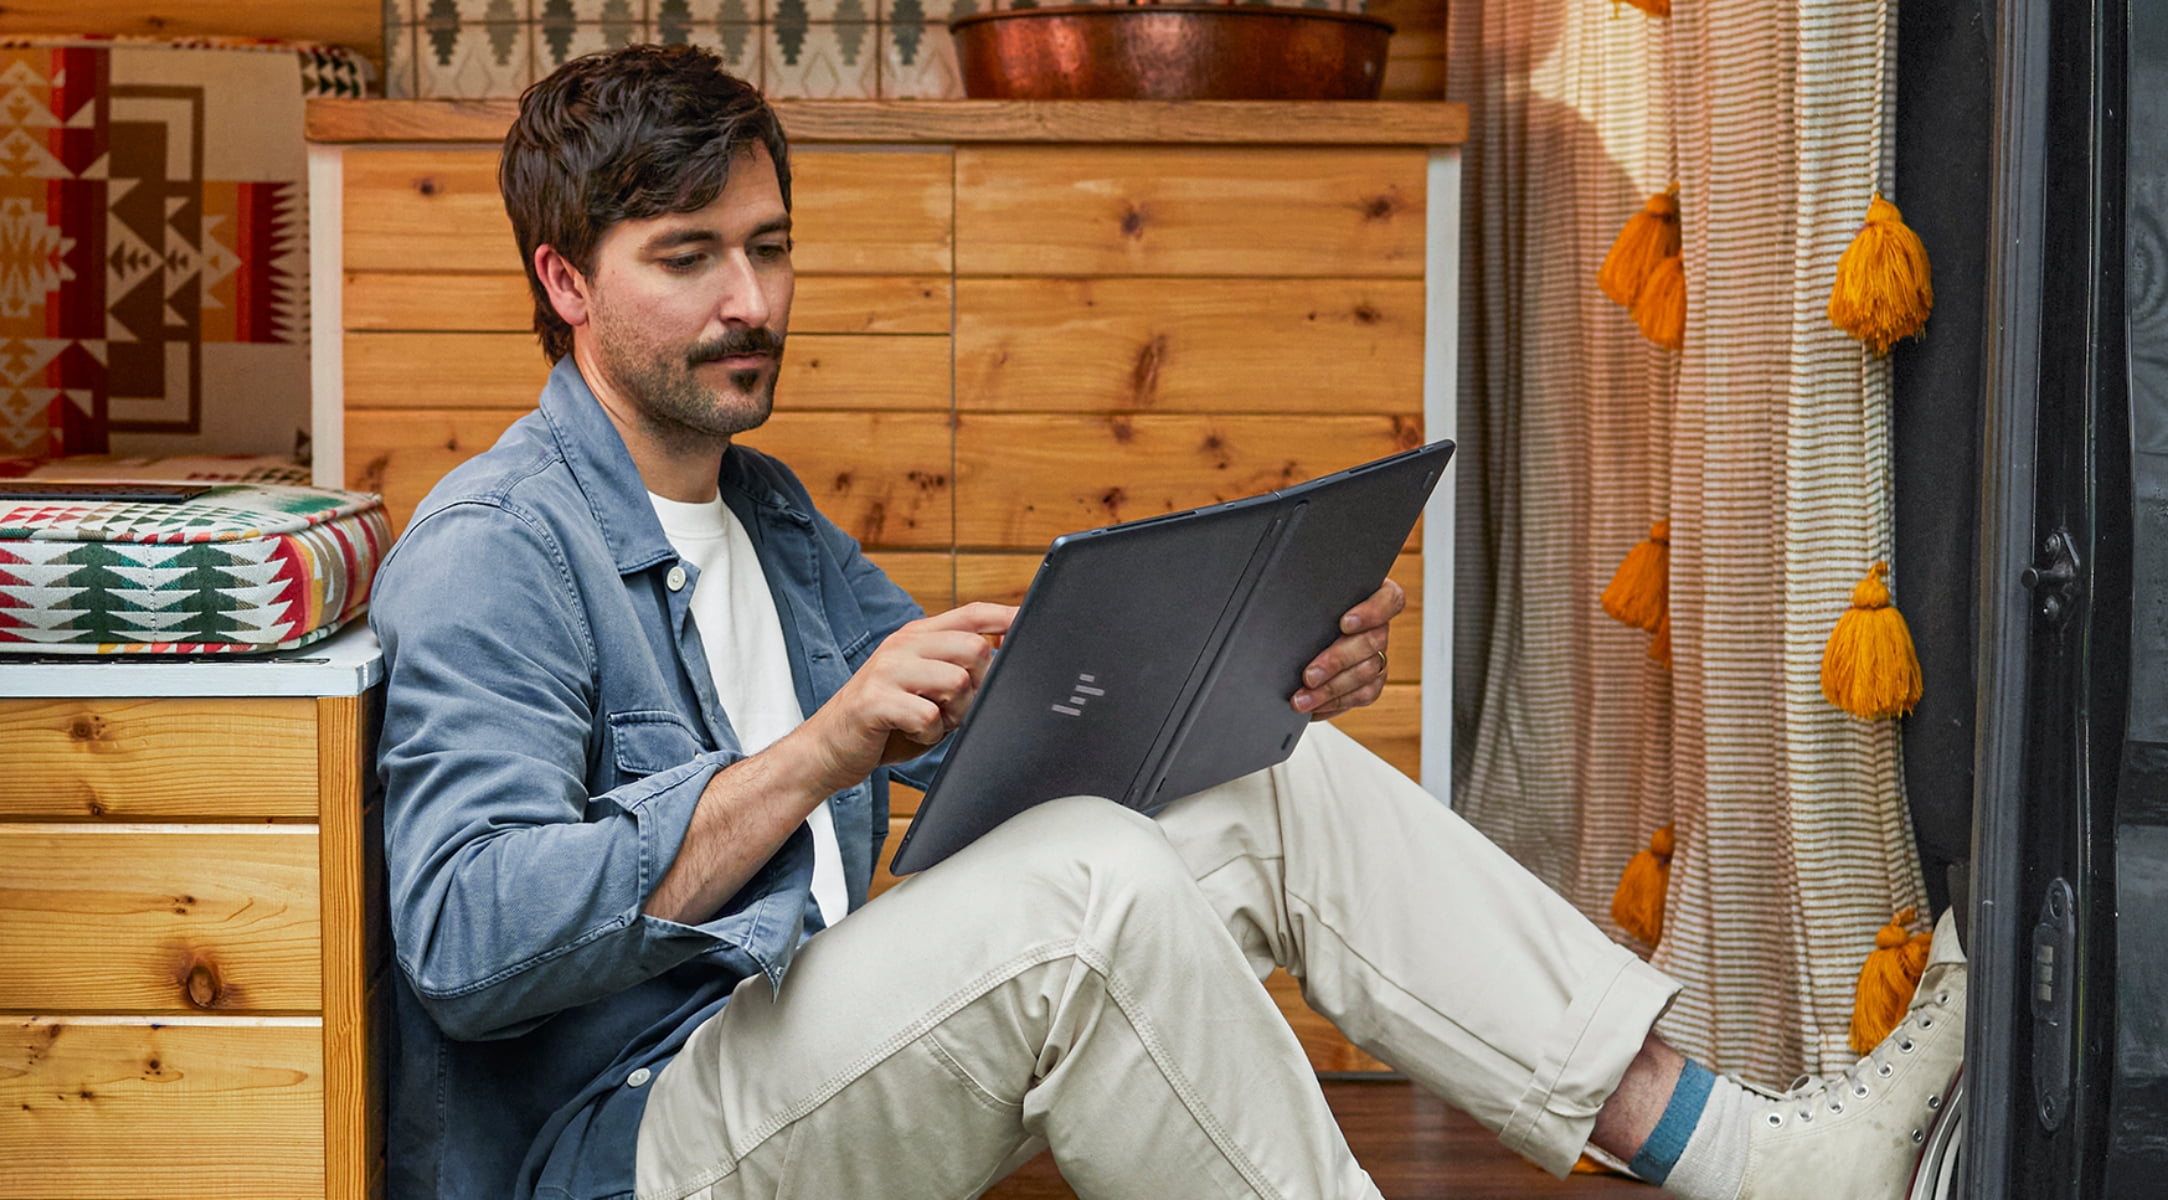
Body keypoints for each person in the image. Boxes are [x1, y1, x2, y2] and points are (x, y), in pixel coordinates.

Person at [369, 44, 1966, 1200]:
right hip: (630, 1141)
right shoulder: (496, 549)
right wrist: (819, 749)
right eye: (690, 259)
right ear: (565, 285)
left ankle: (1746, 1159)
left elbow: (994, 744)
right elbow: (463, 940)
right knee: (1091, 892)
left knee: (1270, 783)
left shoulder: (764, 511)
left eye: (771, 250)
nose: (752, 302)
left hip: (803, 1038)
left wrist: (1256, 679)